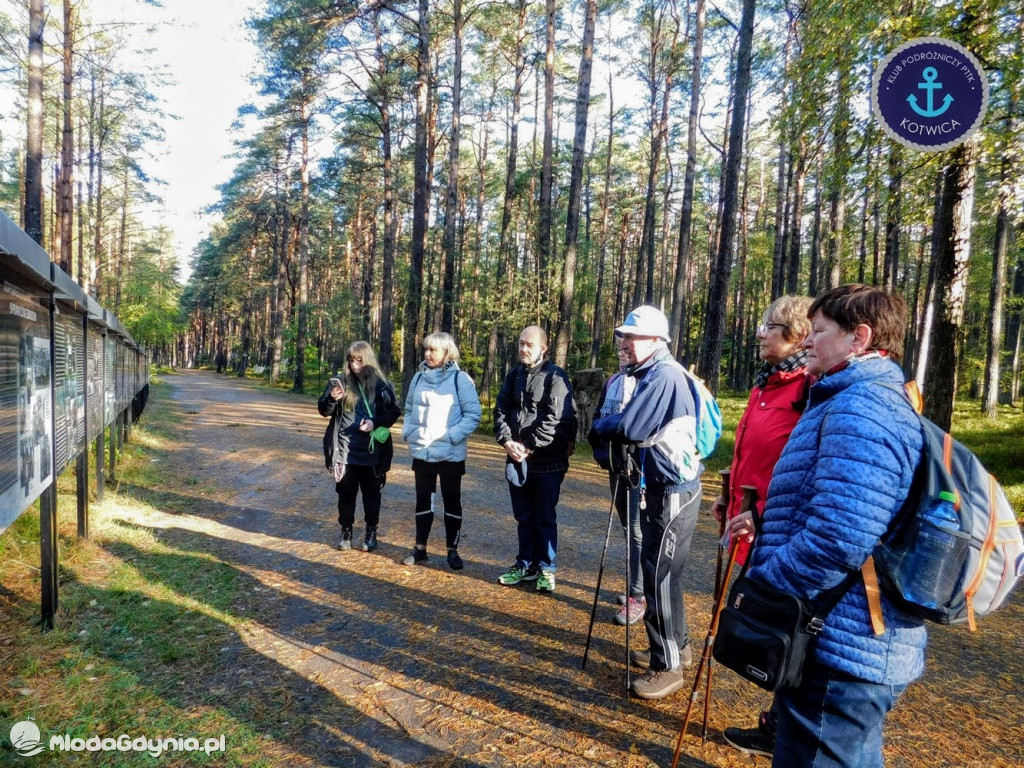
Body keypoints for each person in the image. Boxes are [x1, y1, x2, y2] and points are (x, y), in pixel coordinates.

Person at [743, 284, 924, 768]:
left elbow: (839, 535)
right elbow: (838, 506)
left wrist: (768, 587)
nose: (806, 341)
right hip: (847, 639)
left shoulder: (862, 407)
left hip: (844, 647)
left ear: (858, 339)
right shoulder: (855, 399)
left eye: (819, 331)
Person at [709, 295, 813, 757]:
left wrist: (763, 511)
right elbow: (752, 450)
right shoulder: (765, 384)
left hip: (781, 525)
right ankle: (778, 725)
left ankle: (782, 730)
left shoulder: (808, 387)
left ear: (798, 336)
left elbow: (802, 465)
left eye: (770, 326)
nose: (759, 333)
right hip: (749, 517)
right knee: (769, 617)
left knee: (788, 623)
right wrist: (729, 490)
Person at [590, 305, 702, 700]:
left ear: (657, 341)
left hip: (673, 489)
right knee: (665, 575)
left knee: (658, 577)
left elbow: (629, 426)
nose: (625, 342)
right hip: (663, 488)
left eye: (633, 337)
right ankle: (679, 648)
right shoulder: (651, 374)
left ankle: (667, 665)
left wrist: (599, 426)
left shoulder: (665, 376)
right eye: (623, 335)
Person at [494, 325, 577, 593]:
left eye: (529, 344)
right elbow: (501, 410)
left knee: (544, 517)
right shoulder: (514, 375)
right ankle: (525, 564)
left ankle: (546, 568)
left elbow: (555, 419)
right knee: (524, 517)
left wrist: (527, 446)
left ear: (544, 347)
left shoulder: (556, 376)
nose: (523, 349)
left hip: (548, 462)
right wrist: (507, 441)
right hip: (517, 459)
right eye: (520, 343)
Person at [400, 332, 482, 569]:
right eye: (425, 349)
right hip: (423, 450)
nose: (427, 354)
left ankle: (452, 550)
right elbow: (408, 409)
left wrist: (450, 436)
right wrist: (408, 432)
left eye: (432, 350)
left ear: (447, 353)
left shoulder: (461, 380)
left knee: (451, 501)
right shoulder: (417, 378)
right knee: (422, 500)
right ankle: (420, 548)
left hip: (450, 454)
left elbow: (473, 415)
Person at [318, 341, 401, 552]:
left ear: (367, 360)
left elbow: (393, 412)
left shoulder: (383, 385)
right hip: (345, 451)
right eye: (351, 361)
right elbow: (323, 410)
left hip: (373, 452)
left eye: (359, 360)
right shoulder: (339, 383)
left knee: (372, 494)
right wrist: (331, 399)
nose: (354, 365)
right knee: (345, 493)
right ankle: (346, 531)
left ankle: (371, 533)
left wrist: (376, 422)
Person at [588, 334, 644, 626]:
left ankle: (639, 595)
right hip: (616, 465)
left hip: (640, 469)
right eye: (621, 345)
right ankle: (637, 585)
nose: (623, 350)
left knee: (637, 530)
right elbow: (599, 418)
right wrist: (602, 452)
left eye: (629, 345)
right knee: (627, 526)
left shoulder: (647, 382)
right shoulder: (612, 381)